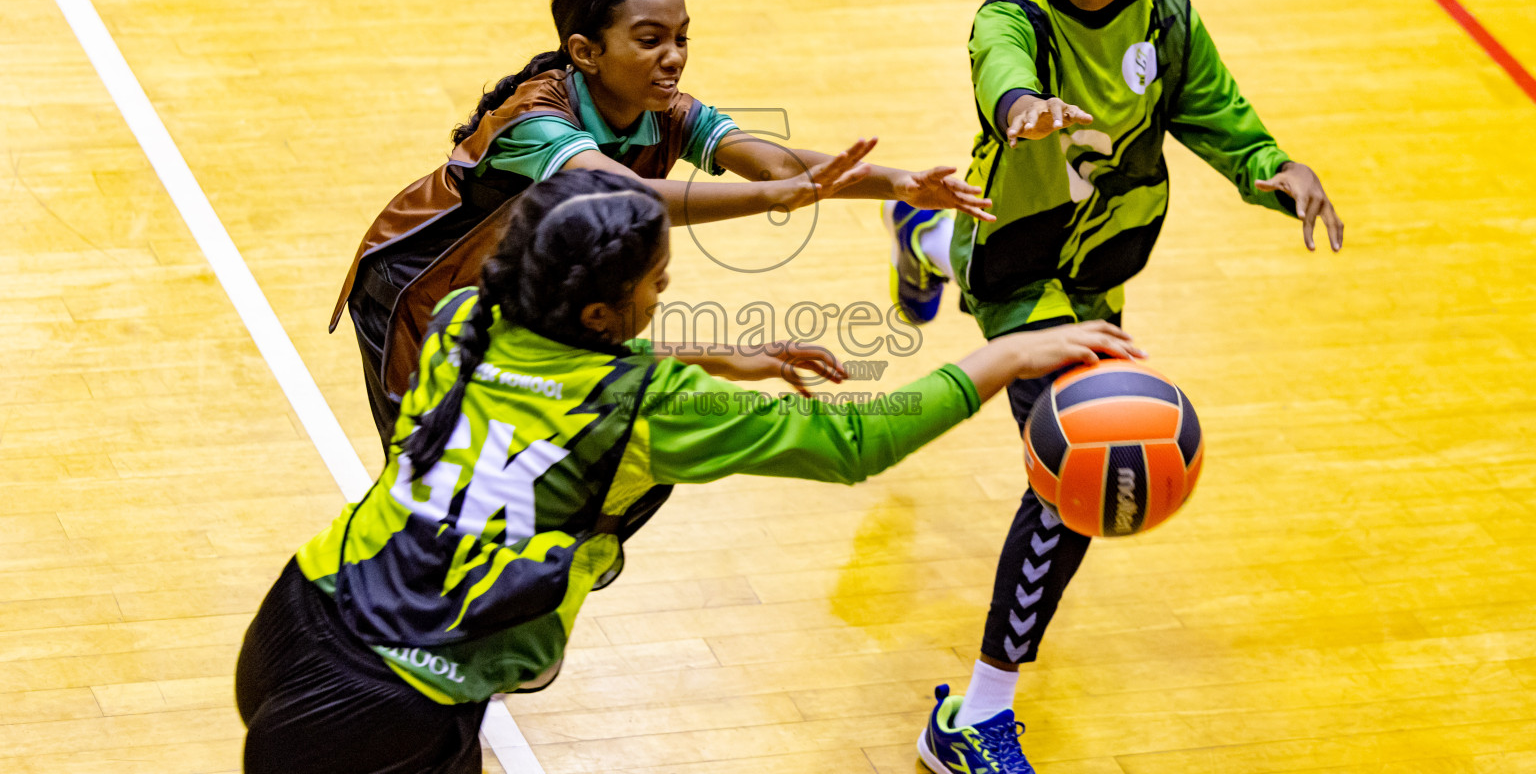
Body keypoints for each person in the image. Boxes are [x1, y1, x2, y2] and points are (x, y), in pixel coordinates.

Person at [240, 168, 1140, 774]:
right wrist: (1010, 355)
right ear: (602, 309)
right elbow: (858, 443)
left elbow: (563, 362)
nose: (662, 293)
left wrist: (720, 357)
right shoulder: (651, 404)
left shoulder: (467, 318)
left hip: (297, 616)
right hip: (387, 705)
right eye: (657, 287)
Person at [882, 0, 1345, 772]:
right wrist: (1021, 109)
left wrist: (1274, 171)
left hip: (1101, 263)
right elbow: (998, 67)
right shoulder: (1014, 12)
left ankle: (923, 239)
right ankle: (973, 718)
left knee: (970, 273)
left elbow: (1217, 112)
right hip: (1024, 265)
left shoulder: (1168, 23)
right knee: (1074, 475)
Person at [333, 0, 995, 452]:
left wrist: (897, 183)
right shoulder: (536, 117)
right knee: (436, 465)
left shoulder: (669, 113)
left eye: (681, 38)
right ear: (586, 52)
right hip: (419, 286)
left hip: (512, 289)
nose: (673, 57)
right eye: (650, 40)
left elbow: (769, 160)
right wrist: (776, 197)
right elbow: (617, 193)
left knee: (520, 448)